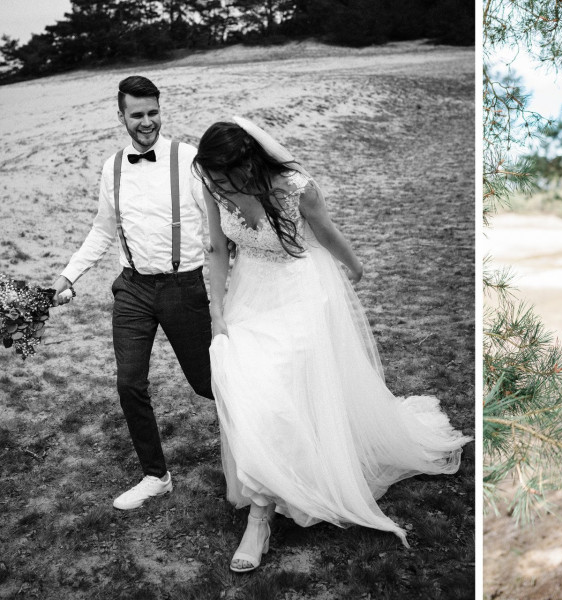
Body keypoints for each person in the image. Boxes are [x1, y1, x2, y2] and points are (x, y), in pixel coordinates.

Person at [193, 117, 471, 573]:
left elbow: (325, 232)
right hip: (248, 295)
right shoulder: (214, 185)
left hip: (300, 293)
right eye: (214, 178)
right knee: (246, 386)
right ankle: (273, 480)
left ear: (250, 164)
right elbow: (219, 250)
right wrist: (217, 313)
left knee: (281, 394)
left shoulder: (295, 187)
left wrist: (354, 266)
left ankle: (259, 519)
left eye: (227, 176)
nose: (220, 185)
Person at [50, 75, 213, 511]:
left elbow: (219, 226)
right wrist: (69, 276)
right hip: (133, 288)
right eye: (137, 115)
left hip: (184, 286)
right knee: (129, 383)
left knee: (208, 384)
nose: (147, 123)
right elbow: (103, 230)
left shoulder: (189, 158)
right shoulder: (113, 167)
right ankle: (156, 475)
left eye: (153, 113)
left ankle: (260, 449)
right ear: (120, 115)